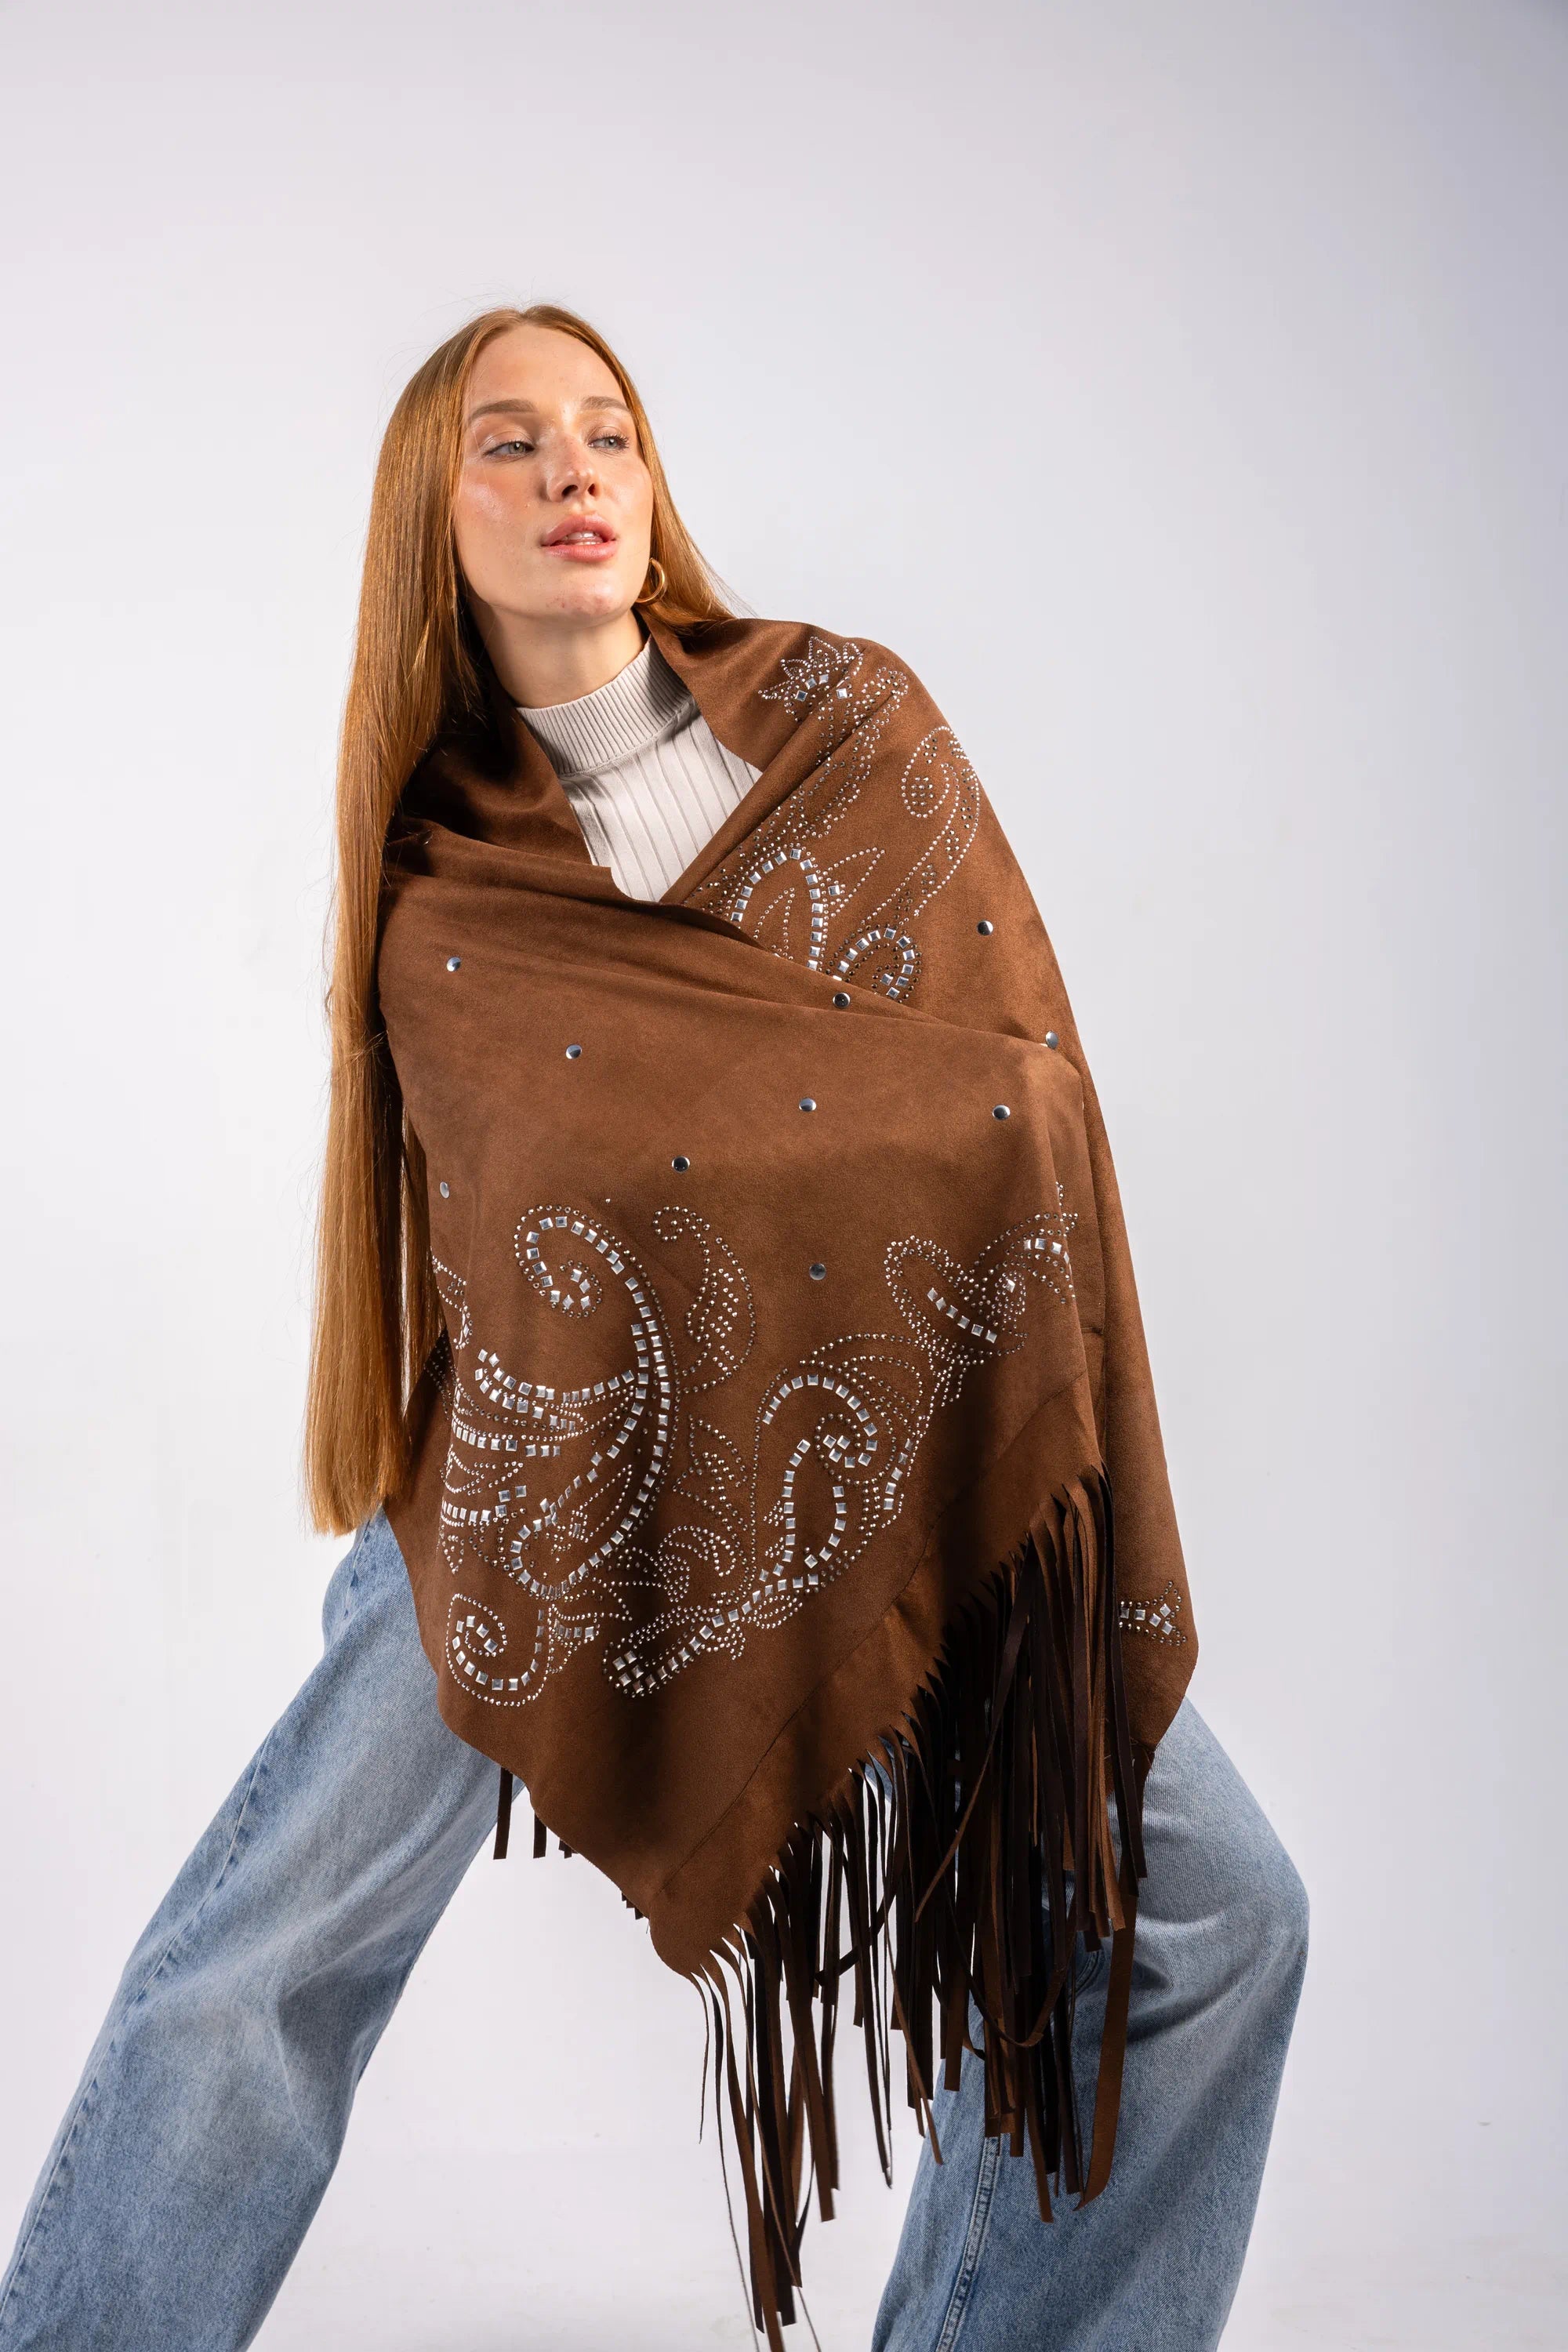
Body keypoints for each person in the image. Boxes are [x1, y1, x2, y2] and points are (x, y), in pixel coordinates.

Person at [0, 305, 1308, 2352]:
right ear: (438, 521)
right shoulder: (453, 887)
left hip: (894, 1461)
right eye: (507, 446)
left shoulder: (850, 721)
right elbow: (603, 1198)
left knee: (1214, 1923)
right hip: (543, 1491)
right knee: (262, 1970)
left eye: (602, 431)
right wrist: (843, 1135)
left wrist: (821, 1148)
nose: (569, 473)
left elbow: (1014, 1090)